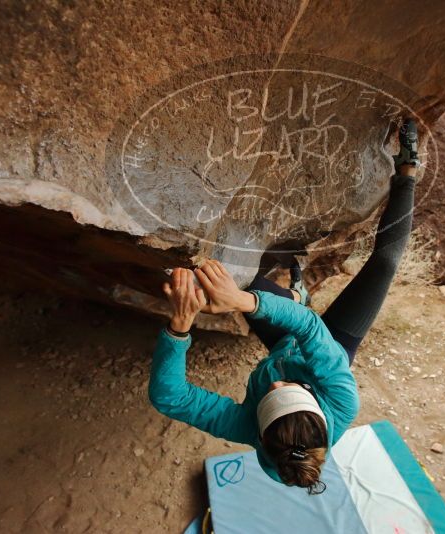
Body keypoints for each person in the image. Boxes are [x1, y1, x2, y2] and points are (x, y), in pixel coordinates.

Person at [149, 119, 421, 493]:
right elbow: (309, 328)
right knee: (385, 264)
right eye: (290, 389)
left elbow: (170, 397)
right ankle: (408, 169)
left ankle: (292, 296)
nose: (274, 381)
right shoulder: (341, 401)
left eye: (269, 395)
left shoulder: (251, 429)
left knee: (221, 279)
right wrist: (239, 302)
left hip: (283, 345)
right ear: (317, 404)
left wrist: (180, 327)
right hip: (333, 341)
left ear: (259, 432)